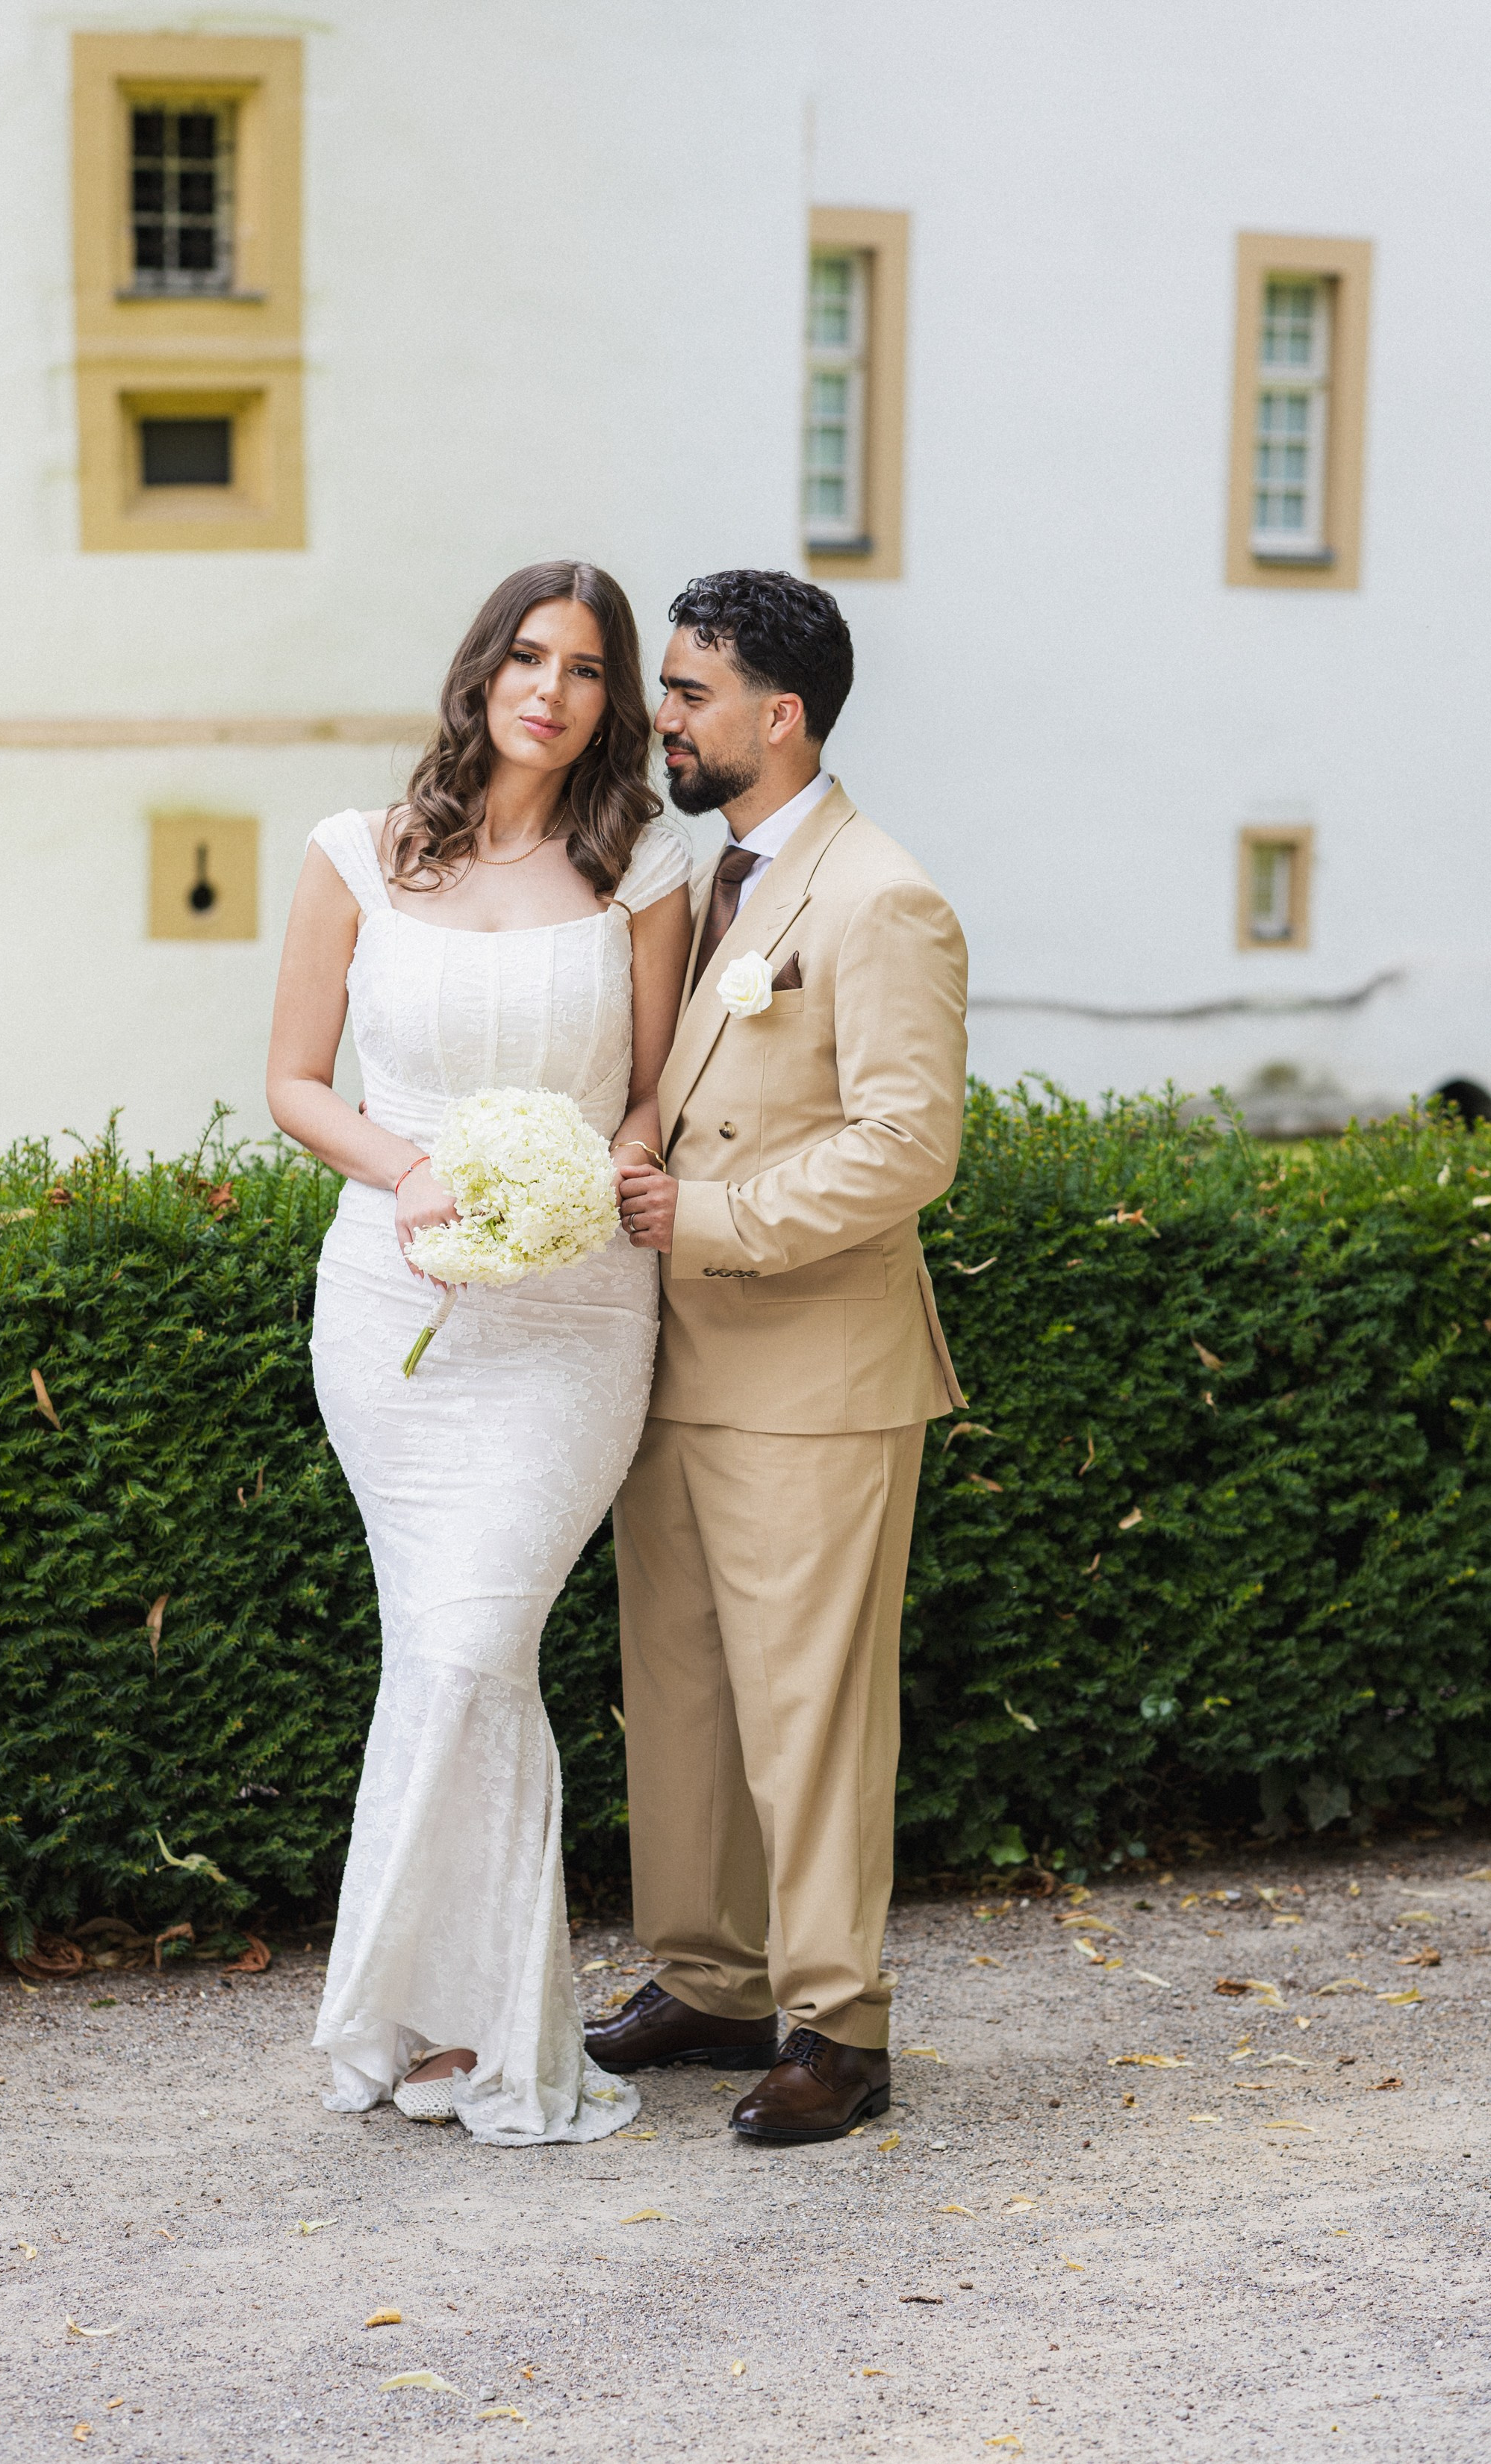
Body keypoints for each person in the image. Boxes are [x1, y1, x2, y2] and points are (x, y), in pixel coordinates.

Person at [267, 559, 692, 2145]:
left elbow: (647, 1091)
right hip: (399, 1306)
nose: (549, 690)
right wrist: (411, 1173)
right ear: (481, 673)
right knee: (442, 1650)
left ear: (612, 700)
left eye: (585, 669)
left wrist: (626, 1162)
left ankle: (440, 2019)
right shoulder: (356, 856)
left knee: (471, 1639)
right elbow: (296, 1081)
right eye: (526, 657)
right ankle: (437, 2025)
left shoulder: (642, 862)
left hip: (578, 1310)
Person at [590, 570, 968, 2144]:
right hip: (672, 1362)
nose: (659, 716)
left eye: (685, 692)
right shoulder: (708, 877)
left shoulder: (878, 895)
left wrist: (712, 1214)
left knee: (807, 1711)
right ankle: (709, 1974)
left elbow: (908, 1148)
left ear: (777, 713)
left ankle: (836, 2026)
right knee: (673, 1698)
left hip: (814, 1376)